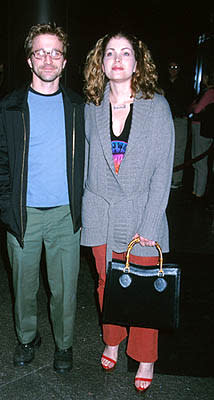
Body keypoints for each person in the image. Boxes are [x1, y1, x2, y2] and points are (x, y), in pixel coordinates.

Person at [0, 23, 85, 372]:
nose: (47, 58)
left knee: (65, 289)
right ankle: (27, 338)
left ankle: (64, 345)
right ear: (29, 60)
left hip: (66, 215)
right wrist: (7, 208)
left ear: (65, 60)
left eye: (54, 52)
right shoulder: (9, 108)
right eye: (40, 52)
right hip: (23, 214)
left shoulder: (78, 108)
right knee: (23, 287)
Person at [81, 32, 174, 392]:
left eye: (126, 53)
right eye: (109, 53)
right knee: (106, 284)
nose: (117, 59)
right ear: (100, 63)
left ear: (138, 61)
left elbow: (163, 172)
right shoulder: (92, 106)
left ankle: (146, 357)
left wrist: (151, 223)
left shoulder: (157, 107)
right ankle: (112, 338)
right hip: (100, 213)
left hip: (141, 214)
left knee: (144, 291)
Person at [161, 60, 192, 189]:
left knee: (179, 149)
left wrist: (186, 114)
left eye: (176, 67)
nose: (173, 69)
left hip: (180, 120)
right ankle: (163, 179)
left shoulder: (185, 84)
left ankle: (177, 179)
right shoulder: (163, 83)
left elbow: (191, 101)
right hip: (166, 120)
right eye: (171, 67)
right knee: (164, 149)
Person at [188, 70, 214, 200]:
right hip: (202, 128)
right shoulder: (206, 92)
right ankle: (197, 190)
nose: (202, 77)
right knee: (198, 159)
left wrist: (195, 107)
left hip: (202, 128)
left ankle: (199, 192)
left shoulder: (209, 92)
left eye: (205, 75)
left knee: (200, 161)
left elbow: (195, 109)